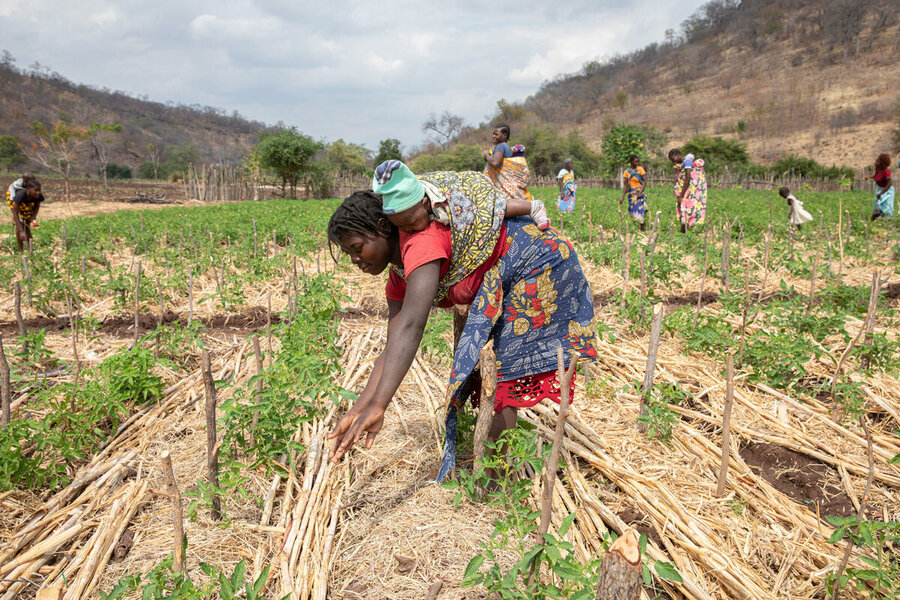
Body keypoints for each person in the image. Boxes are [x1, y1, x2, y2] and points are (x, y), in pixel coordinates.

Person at [326, 168, 597, 480]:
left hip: (535, 261)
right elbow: (394, 343)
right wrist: (361, 407)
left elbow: (412, 327)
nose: (355, 260)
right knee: (491, 374)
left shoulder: (423, 244)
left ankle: (497, 483)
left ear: (383, 227)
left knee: (502, 376)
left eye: (357, 248)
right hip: (503, 273)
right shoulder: (398, 274)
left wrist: (381, 405)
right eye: (349, 253)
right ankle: (489, 471)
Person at [482, 124, 549, 229]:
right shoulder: (507, 148)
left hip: (506, 184)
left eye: (496, 134)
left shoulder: (500, 146)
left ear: (505, 135)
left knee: (500, 206)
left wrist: (487, 156)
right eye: (493, 134)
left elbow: (495, 163)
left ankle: (534, 207)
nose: (493, 136)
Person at [668, 148, 707, 232]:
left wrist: (681, 194)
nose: (674, 163)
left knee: (687, 210)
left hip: (688, 191)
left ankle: (684, 233)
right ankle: (684, 233)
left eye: (674, 160)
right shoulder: (682, 164)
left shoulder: (687, 162)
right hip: (686, 191)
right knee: (684, 211)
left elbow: (688, 177)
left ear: (677, 155)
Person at [6, 174, 43, 252]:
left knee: (27, 224)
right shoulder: (20, 195)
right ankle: (21, 250)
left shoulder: (38, 195)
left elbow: (36, 206)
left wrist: (33, 217)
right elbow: (15, 214)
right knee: (20, 225)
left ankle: (30, 251)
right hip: (17, 205)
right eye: (36, 190)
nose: (38, 192)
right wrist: (22, 231)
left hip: (27, 205)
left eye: (39, 190)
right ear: (29, 189)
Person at [621, 155, 648, 230]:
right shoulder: (627, 172)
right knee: (633, 210)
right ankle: (637, 227)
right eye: (635, 161)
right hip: (631, 193)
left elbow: (645, 182)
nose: (637, 163)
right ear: (631, 162)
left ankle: (641, 228)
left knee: (639, 208)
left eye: (637, 161)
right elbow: (625, 185)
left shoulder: (640, 169)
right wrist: (622, 197)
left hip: (639, 192)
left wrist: (640, 192)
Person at [870, 153, 894, 221]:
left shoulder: (887, 172)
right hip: (880, 189)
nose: (876, 161)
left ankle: (886, 221)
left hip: (887, 191)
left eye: (878, 160)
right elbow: (877, 177)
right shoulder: (877, 169)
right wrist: (870, 177)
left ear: (883, 162)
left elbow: (889, 184)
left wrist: (881, 193)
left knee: (886, 206)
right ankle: (875, 220)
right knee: (877, 205)